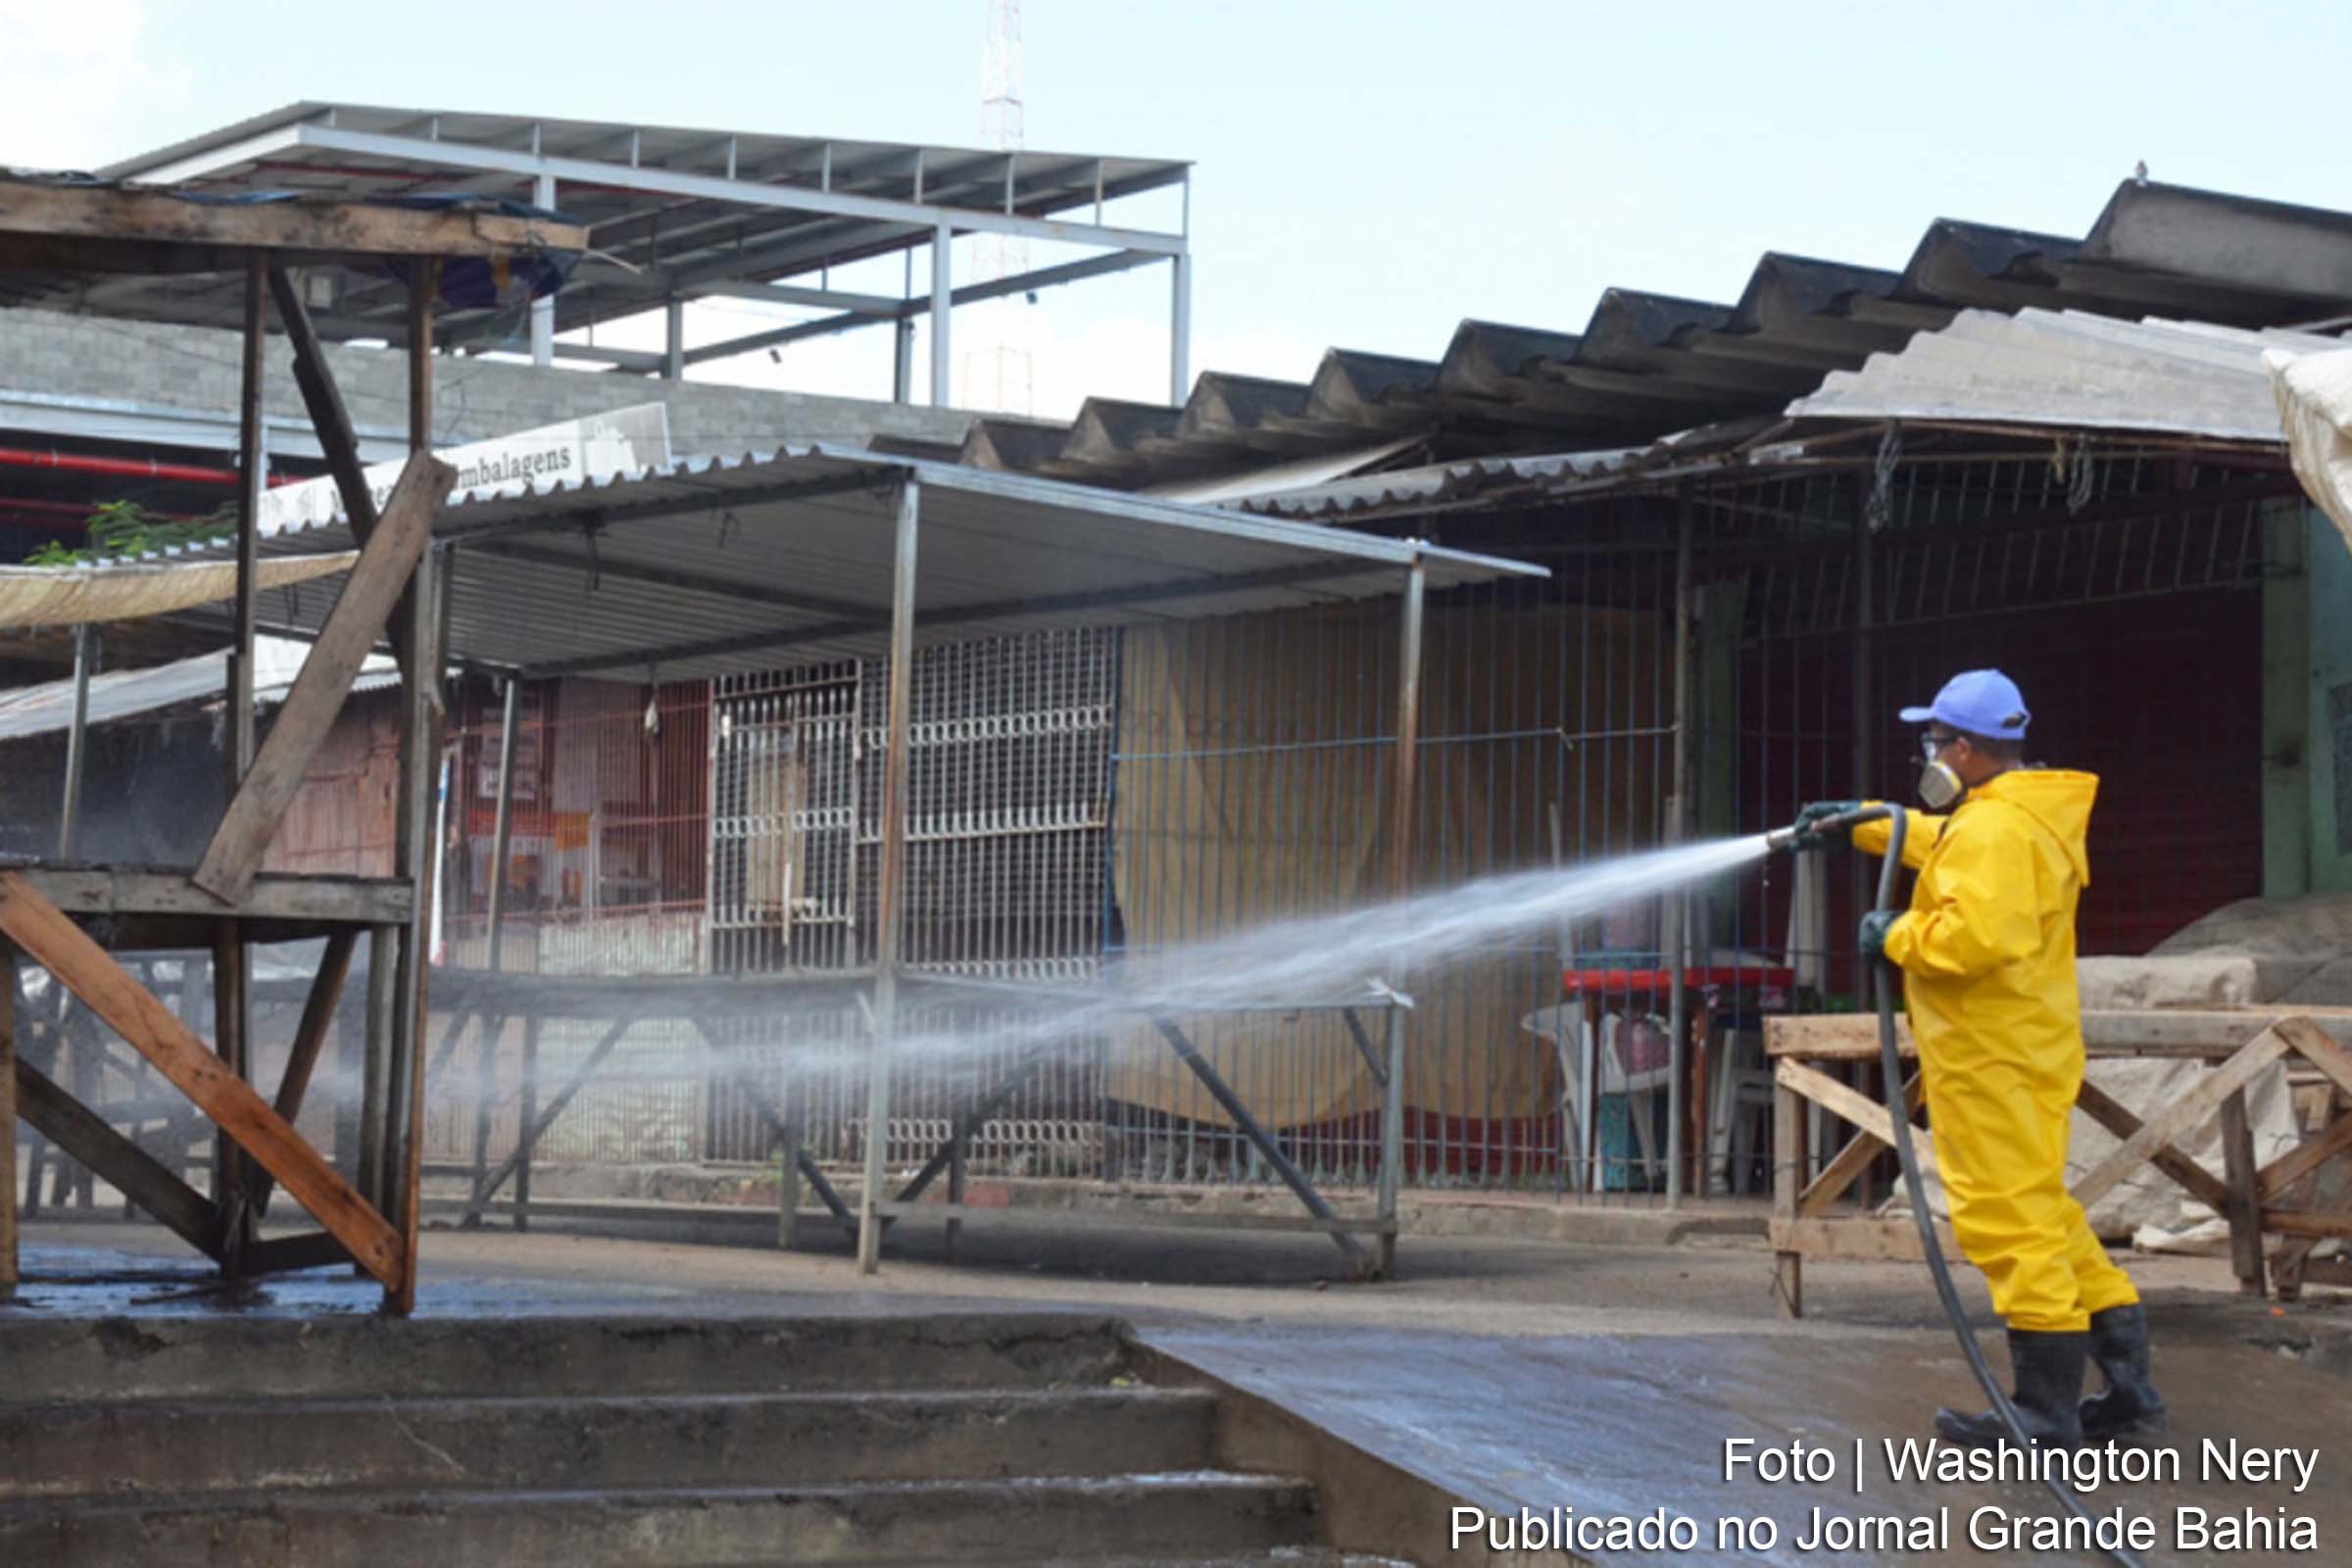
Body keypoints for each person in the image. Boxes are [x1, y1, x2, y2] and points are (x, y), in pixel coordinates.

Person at [1791, 669, 2163, 1448]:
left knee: (2007, 1222)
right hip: (2028, 1045)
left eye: (1933, 740)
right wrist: (1867, 822)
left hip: (1993, 1056)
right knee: (2047, 1213)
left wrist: (1892, 937)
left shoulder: (1994, 830)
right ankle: (2128, 1387)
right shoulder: (2017, 813)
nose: (1926, 751)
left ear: (1963, 748)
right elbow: (1950, 846)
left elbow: (1975, 938)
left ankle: (2042, 1412)